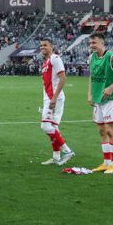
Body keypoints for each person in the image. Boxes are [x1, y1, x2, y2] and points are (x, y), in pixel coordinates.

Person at [87, 32, 113, 174]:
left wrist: (111, 87)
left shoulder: (111, 57)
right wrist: (90, 94)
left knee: (110, 131)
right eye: (91, 43)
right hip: (98, 99)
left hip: (111, 98)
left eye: (94, 42)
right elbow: (92, 76)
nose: (92, 45)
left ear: (102, 43)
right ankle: (106, 163)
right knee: (102, 131)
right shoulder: (92, 57)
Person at [39, 38, 75, 166]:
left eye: (45, 45)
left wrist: (54, 98)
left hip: (54, 98)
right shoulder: (46, 62)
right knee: (53, 127)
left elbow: (63, 78)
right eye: (41, 45)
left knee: (45, 126)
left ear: (51, 46)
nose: (42, 47)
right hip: (49, 98)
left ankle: (68, 151)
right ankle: (56, 156)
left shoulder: (55, 59)